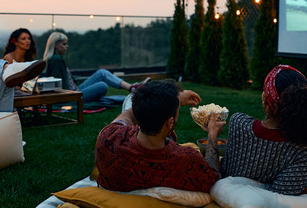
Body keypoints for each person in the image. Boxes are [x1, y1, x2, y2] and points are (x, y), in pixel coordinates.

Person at [95, 80, 224, 192]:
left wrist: (171, 100)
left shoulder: (107, 139)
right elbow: (213, 176)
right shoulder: (186, 161)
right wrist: (212, 135)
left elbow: (128, 115)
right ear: (170, 122)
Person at [220, 65, 307, 195]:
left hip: (226, 193)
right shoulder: (306, 150)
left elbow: (220, 171)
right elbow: (280, 193)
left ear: (265, 99)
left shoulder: (238, 122)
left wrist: (213, 136)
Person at [42, 32, 145, 102]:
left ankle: (132, 88)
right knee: (102, 86)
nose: (67, 46)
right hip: (71, 95)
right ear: (55, 45)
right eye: (64, 44)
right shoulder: (55, 60)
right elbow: (55, 84)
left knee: (102, 73)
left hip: (75, 90)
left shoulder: (57, 58)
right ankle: (130, 93)